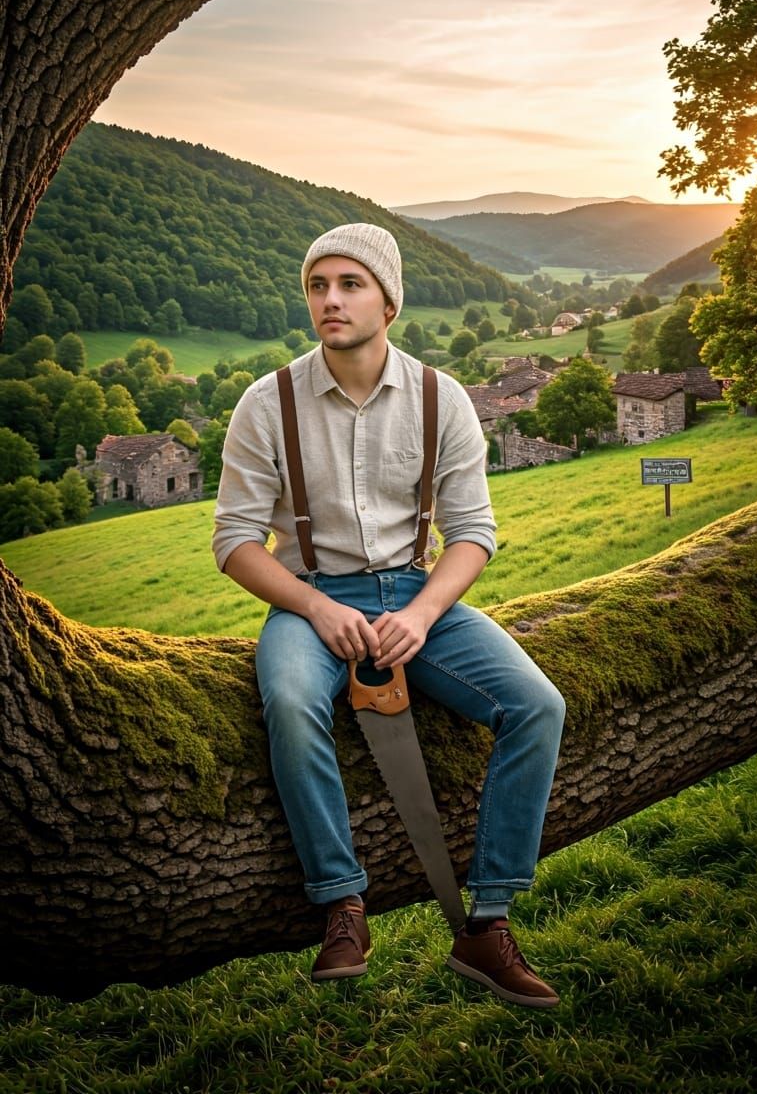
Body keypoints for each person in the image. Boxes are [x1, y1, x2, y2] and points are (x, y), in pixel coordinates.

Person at [213, 222, 566, 1008]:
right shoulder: (265, 404)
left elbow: (473, 533)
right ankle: (341, 905)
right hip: (310, 601)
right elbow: (235, 540)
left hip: (417, 594)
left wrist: (424, 614)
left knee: (538, 706)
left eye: (349, 285)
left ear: (389, 300)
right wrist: (310, 605)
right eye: (317, 286)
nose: (329, 301)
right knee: (292, 701)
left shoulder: (442, 400)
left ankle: (488, 924)